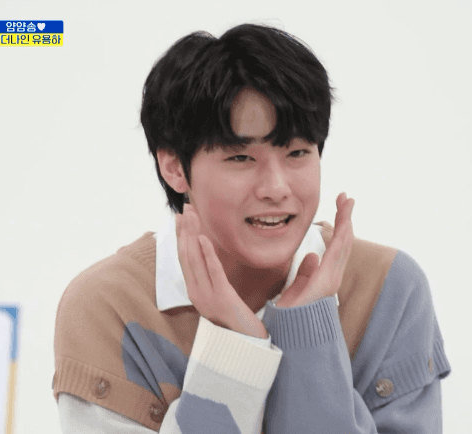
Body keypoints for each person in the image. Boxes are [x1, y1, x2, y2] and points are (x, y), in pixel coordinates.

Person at [52, 23, 451, 433]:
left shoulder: (389, 290)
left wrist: (306, 330)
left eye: (297, 152)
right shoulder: (108, 308)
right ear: (174, 167)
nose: (276, 188)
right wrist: (234, 346)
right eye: (241, 158)